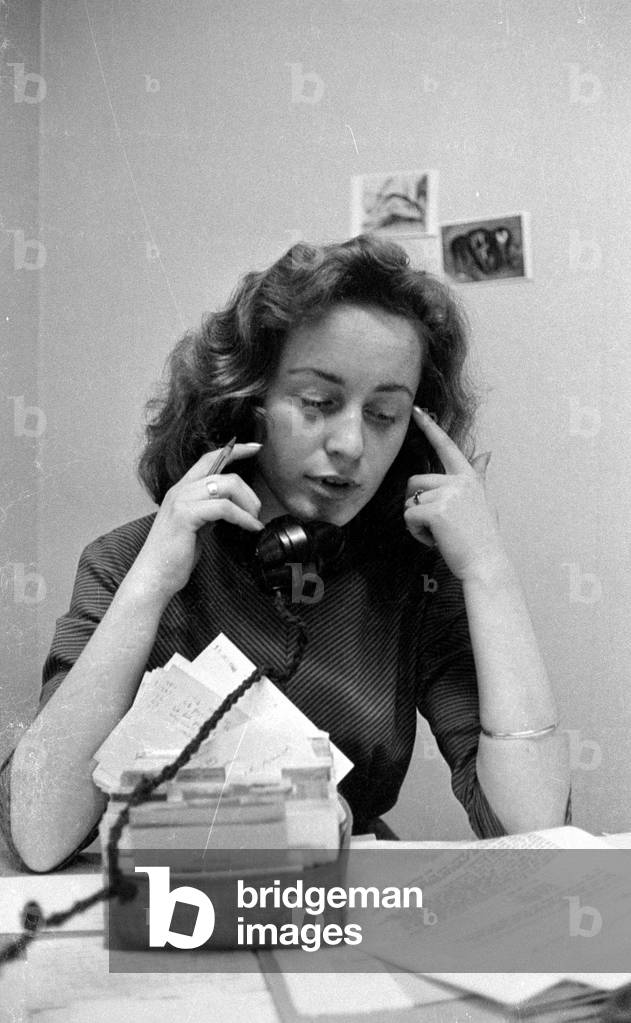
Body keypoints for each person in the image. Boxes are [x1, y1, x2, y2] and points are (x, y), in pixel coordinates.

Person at [1, 235, 570, 872]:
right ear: (249, 401)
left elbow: (534, 828)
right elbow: (40, 836)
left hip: (340, 900)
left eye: (385, 414)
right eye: (319, 403)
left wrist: (488, 571)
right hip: (177, 901)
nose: (351, 444)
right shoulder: (128, 560)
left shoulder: (416, 577)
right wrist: (149, 585)